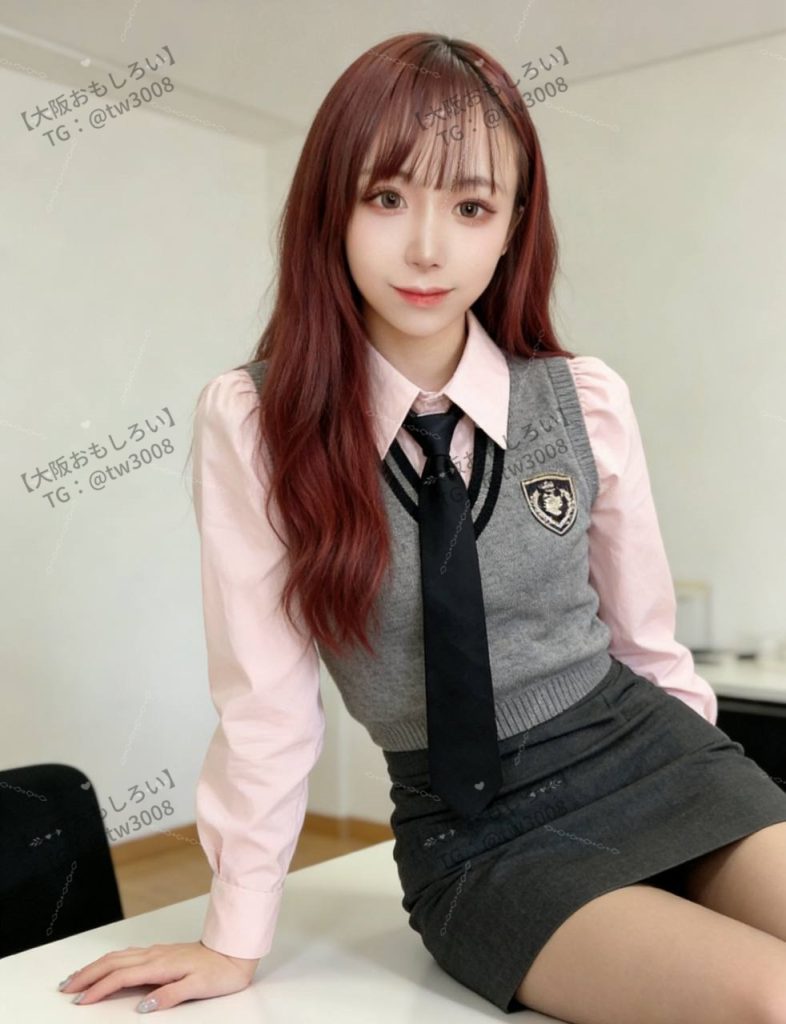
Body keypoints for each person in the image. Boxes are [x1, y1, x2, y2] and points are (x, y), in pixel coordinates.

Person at [57, 32, 786, 1021]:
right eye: (387, 197)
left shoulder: (583, 400)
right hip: (481, 836)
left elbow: (649, 647)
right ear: (331, 206)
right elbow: (268, 705)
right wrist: (233, 936)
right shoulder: (256, 422)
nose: (428, 248)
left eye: (471, 206)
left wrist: (712, 798)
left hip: (656, 762)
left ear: (513, 225)